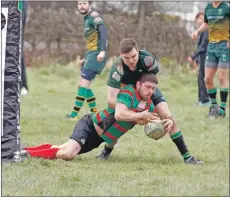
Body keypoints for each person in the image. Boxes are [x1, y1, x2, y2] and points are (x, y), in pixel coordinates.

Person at [96, 38, 203, 164]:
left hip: (145, 89)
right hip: (128, 93)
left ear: (138, 51)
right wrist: (134, 114)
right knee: (118, 122)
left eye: (134, 56)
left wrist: (150, 101)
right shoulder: (117, 67)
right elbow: (111, 100)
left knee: (168, 117)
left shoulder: (148, 60)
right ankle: (106, 151)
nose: (131, 60)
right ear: (121, 56)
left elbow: (151, 80)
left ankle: (187, 157)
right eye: (126, 57)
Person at [22, 73, 171, 160]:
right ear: (138, 85)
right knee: (68, 154)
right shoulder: (128, 93)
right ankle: (24, 155)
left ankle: (25, 152)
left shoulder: (149, 105)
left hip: (97, 140)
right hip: (90, 125)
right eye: (147, 87)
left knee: (61, 149)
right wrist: (140, 116)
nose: (151, 91)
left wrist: (163, 125)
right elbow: (120, 115)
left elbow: (156, 120)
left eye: (153, 88)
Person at [66, 1, 108, 120]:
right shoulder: (86, 19)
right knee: (83, 86)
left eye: (84, 3)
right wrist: (86, 58)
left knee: (83, 85)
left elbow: (104, 33)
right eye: (79, 4)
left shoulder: (94, 17)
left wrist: (102, 51)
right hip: (91, 54)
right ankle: (95, 114)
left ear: (89, 4)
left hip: (96, 55)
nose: (82, 6)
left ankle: (73, 115)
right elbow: (93, 41)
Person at [192, 1, 229, 118]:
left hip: (224, 46)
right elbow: (207, 24)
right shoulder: (208, 7)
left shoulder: (227, 7)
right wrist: (197, 31)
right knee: (207, 78)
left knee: (222, 77)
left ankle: (222, 109)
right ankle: (214, 106)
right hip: (212, 46)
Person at [187, 12, 210, 106]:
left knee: (204, 79)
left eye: (202, 18)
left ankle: (205, 100)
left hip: (207, 58)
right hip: (201, 58)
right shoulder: (200, 32)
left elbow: (203, 47)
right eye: (199, 18)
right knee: (200, 79)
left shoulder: (206, 31)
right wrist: (196, 60)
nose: (200, 20)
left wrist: (193, 57)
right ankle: (201, 99)